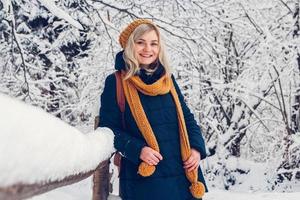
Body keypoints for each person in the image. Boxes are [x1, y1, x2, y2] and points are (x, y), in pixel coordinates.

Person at [99, 19, 208, 200]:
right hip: (143, 180)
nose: (147, 49)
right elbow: (108, 130)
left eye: (153, 44)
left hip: (182, 175)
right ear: (129, 46)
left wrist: (196, 149)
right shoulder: (117, 82)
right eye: (140, 42)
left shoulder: (168, 80)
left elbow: (187, 118)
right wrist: (138, 150)